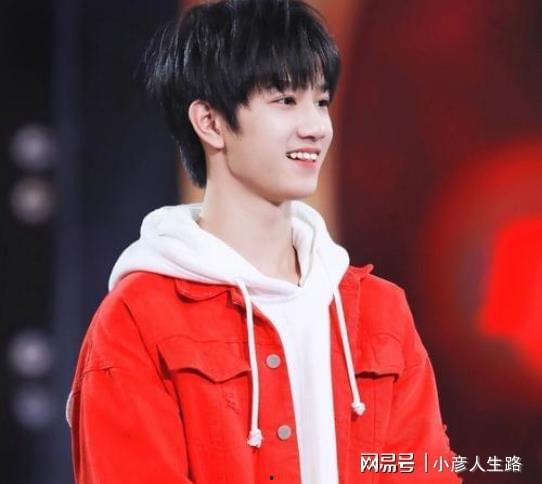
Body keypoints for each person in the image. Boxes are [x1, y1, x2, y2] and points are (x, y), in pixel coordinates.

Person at [67, 0, 460, 482]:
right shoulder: (138, 321)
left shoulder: (380, 314)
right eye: (285, 101)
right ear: (210, 122)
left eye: (321, 101)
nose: (316, 127)